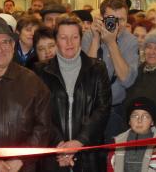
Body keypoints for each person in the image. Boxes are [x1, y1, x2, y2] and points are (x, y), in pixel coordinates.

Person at [0, 14, 51, 172]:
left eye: (5, 42)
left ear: (13, 46)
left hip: (23, 167)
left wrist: (20, 159)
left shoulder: (33, 81)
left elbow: (43, 126)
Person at [35, 17, 112, 172]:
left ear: (81, 39)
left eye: (75, 37)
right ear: (56, 40)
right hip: (55, 152)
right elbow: (41, 113)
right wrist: (60, 146)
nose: (69, 43)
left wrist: (79, 142)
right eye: (63, 38)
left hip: (88, 152)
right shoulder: (41, 71)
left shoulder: (97, 68)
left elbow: (102, 109)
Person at [82, 0, 139, 142]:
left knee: (111, 156)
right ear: (101, 18)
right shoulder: (89, 35)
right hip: (89, 108)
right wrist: (96, 39)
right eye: (113, 19)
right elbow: (86, 76)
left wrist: (111, 43)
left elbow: (127, 80)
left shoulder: (130, 41)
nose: (118, 25)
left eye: (123, 20)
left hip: (115, 108)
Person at [124, 28, 156, 135]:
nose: (152, 52)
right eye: (148, 47)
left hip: (151, 134)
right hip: (129, 130)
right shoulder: (138, 70)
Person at [107, 97, 156, 172]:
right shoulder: (116, 143)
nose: (139, 120)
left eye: (145, 116)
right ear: (129, 121)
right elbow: (110, 168)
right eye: (135, 116)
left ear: (152, 122)